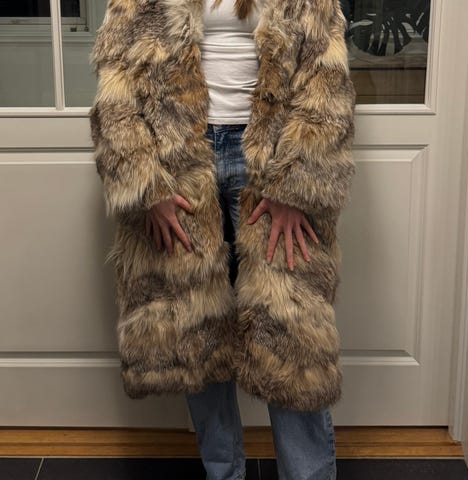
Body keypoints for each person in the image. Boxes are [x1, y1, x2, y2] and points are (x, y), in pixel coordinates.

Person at [89, 0, 356, 479]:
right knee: (198, 334)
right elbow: (115, 85)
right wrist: (147, 185)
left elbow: (327, 83)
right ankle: (223, 473)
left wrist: (295, 186)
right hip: (179, 168)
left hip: (271, 164)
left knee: (293, 339)